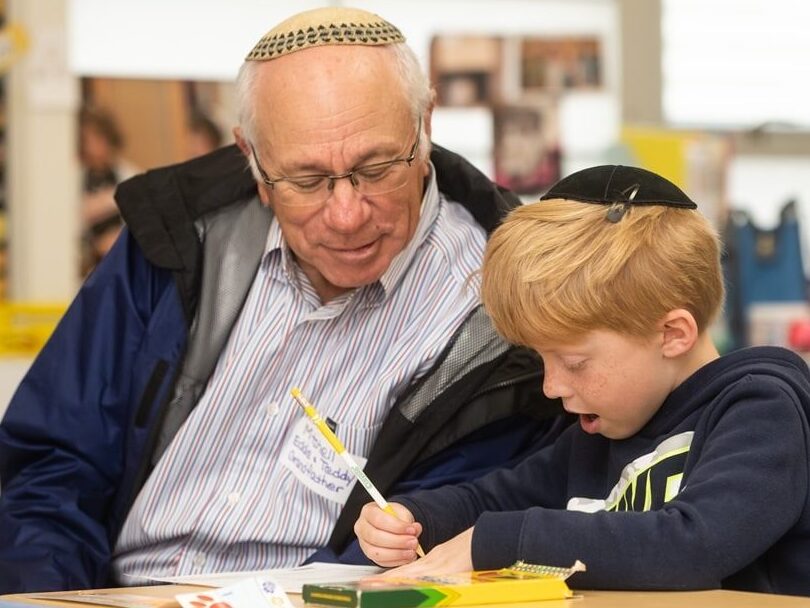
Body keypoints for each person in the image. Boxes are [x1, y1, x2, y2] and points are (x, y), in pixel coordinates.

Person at [0, 7, 568, 594]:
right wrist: (49, 597)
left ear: (424, 126)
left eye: (374, 170)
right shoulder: (178, 234)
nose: (347, 215)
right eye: (305, 180)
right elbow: (53, 465)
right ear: (253, 159)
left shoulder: (499, 310)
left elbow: (436, 539)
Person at [355, 165, 810, 597]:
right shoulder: (597, 435)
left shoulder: (761, 410)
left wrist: (500, 543)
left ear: (671, 334)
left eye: (573, 363)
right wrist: (416, 519)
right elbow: (494, 498)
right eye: (542, 359)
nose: (551, 387)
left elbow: (694, 543)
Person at [78, 105, 139, 274]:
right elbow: (74, 214)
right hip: (86, 264)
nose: (93, 145)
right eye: (88, 139)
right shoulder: (75, 177)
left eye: (98, 138)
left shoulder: (128, 174)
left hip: (121, 262)